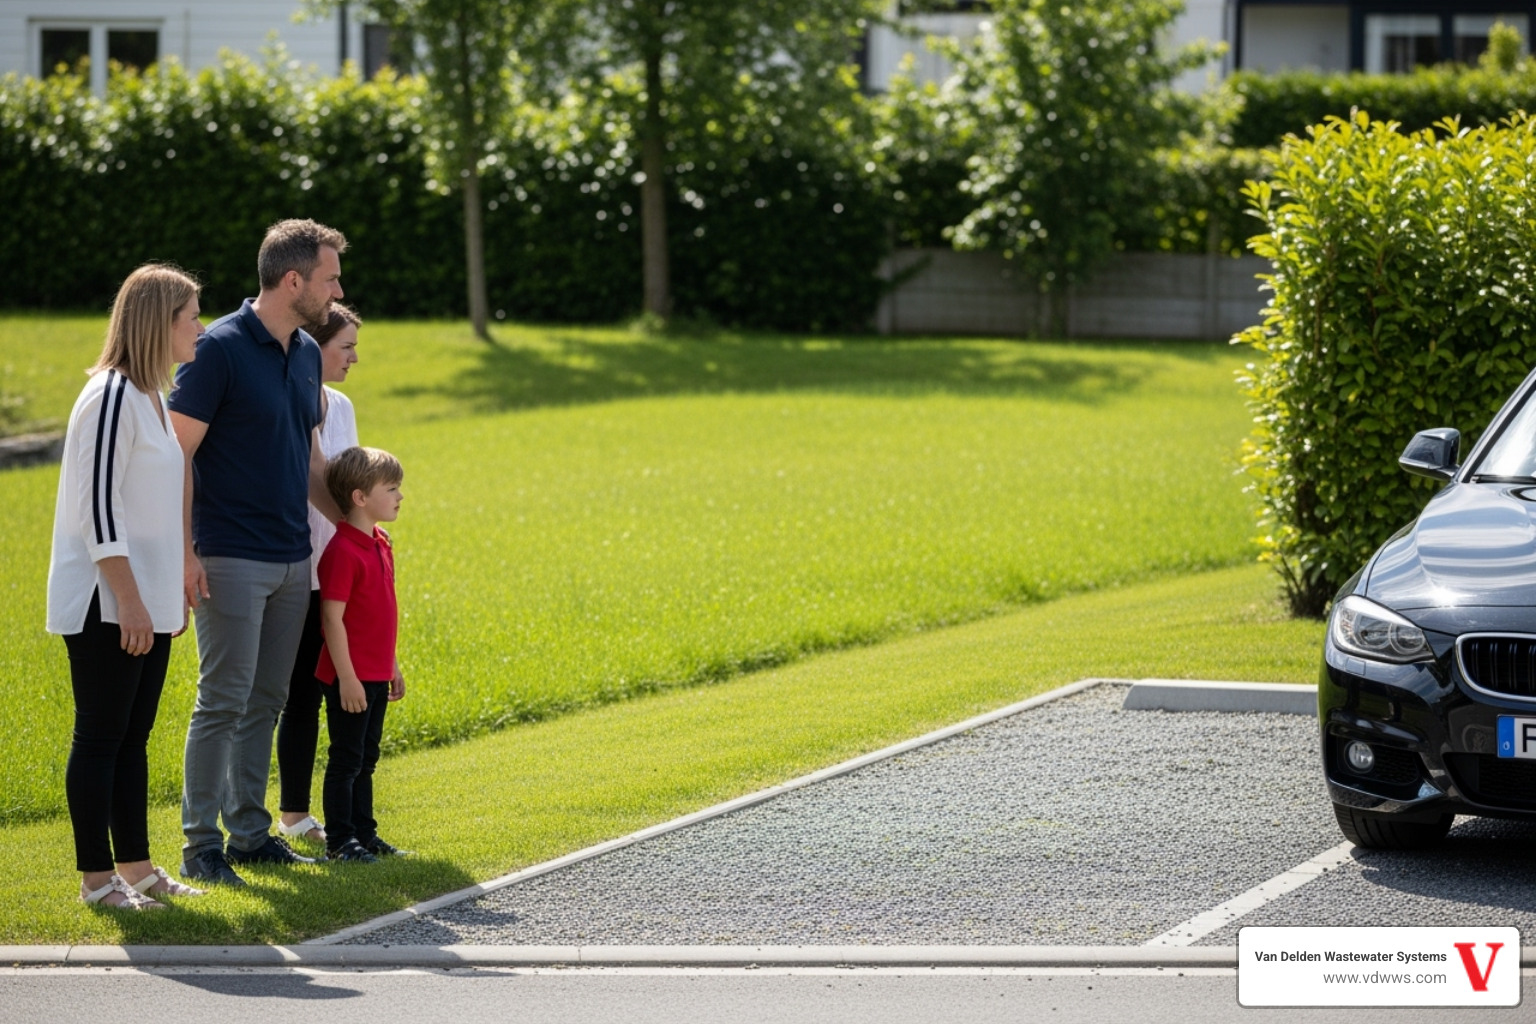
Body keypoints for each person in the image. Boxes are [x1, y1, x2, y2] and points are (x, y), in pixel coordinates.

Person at [169, 219, 347, 887]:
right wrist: (186, 552)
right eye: (330, 278)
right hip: (229, 554)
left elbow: (308, 457)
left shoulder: (304, 352)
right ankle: (200, 847)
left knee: (267, 697)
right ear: (293, 279)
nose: (338, 290)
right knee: (222, 698)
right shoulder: (216, 349)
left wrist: (352, 529)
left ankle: (250, 835)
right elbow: (176, 453)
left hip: (290, 555)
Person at [47, 264, 208, 909]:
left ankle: (137, 869)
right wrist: (133, 600)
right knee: (100, 736)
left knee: (131, 739)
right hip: (106, 604)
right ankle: (95, 882)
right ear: (158, 321)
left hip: (145, 603)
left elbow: (158, 505)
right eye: (192, 315)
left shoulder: (148, 396)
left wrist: (170, 594)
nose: (200, 326)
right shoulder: (111, 394)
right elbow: (99, 510)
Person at [275, 303, 363, 845]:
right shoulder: (289, 399)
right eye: (345, 347)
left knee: (345, 691)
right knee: (300, 697)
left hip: (342, 573)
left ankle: (347, 817)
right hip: (300, 569)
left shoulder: (344, 406)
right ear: (314, 345)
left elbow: (351, 484)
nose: (354, 357)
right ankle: (293, 815)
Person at [315, 446, 410, 863]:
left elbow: (381, 613)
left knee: (367, 758)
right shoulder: (342, 552)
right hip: (349, 677)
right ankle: (340, 841)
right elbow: (332, 620)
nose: (399, 496)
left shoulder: (381, 542)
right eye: (391, 488)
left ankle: (365, 834)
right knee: (346, 759)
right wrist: (347, 678)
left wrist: (392, 665)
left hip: (374, 671)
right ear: (359, 497)